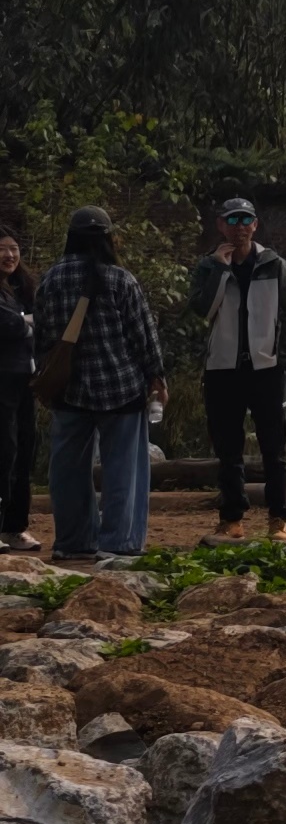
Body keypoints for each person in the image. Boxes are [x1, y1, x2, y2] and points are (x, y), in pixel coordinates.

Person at [31, 207, 166, 565]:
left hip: (69, 390)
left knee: (68, 471)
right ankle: (119, 542)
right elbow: (143, 336)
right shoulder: (121, 280)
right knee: (124, 469)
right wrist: (157, 376)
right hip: (121, 388)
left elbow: (42, 338)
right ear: (108, 239)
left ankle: (73, 541)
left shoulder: (51, 279)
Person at [188, 194, 286, 542]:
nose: (239, 227)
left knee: (274, 447)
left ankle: (278, 518)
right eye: (232, 220)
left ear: (255, 225)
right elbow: (202, 310)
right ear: (221, 225)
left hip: (267, 368)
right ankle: (232, 517)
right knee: (228, 448)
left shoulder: (275, 265)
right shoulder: (208, 267)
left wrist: (281, 359)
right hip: (223, 368)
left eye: (245, 220)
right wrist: (220, 270)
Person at [0, 231, 35, 552]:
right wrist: (25, 322)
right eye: (2, 249)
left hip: (24, 380)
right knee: (4, 451)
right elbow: (9, 325)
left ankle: (14, 527)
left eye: (14, 248)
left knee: (23, 451)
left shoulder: (22, 287)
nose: (9, 255)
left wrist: (25, 321)